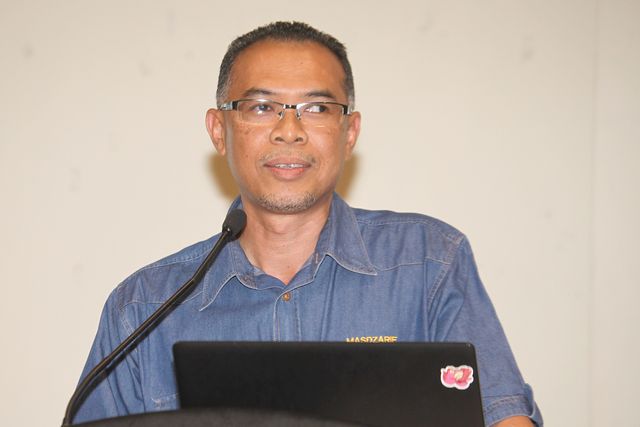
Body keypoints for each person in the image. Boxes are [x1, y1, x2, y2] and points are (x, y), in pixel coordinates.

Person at [74, 21, 543, 426]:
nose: (289, 131)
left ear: (349, 132)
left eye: (317, 109)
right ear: (220, 130)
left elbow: (504, 418)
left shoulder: (428, 264)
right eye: (262, 107)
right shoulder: (144, 308)